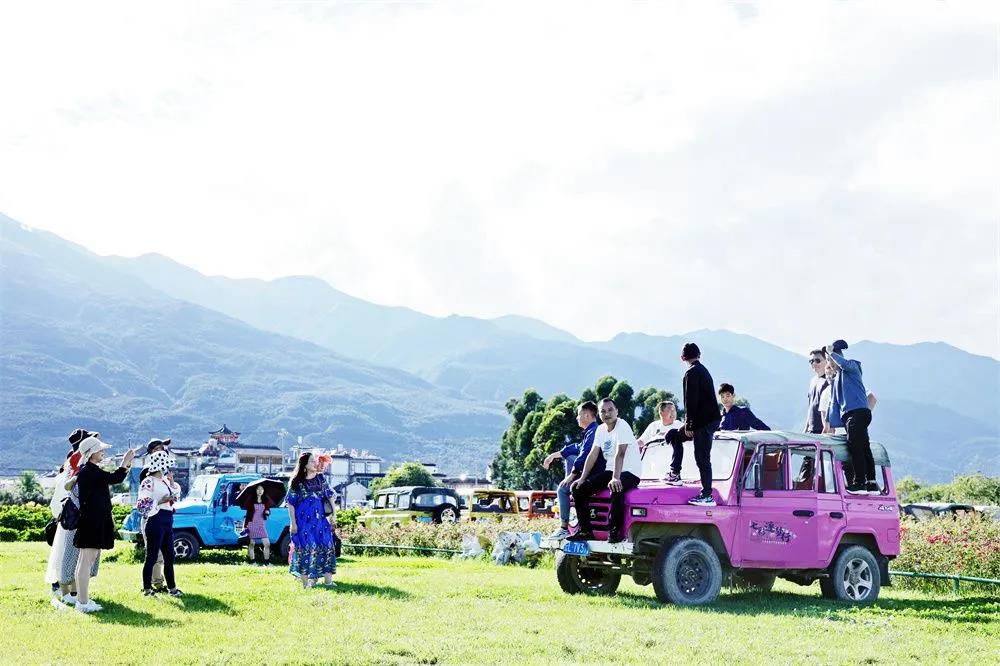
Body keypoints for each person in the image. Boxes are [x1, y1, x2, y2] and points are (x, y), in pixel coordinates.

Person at [73, 435, 135, 613]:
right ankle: (83, 603)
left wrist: (125, 464)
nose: (103, 452)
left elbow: (113, 478)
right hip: (92, 521)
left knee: (85, 561)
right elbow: (115, 478)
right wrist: (125, 462)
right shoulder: (90, 471)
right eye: (100, 449)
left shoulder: (89, 470)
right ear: (91, 452)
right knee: (86, 561)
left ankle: (82, 600)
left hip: (91, 520)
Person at [568, 398, 641, 544]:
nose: (607, 414)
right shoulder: (600, 430)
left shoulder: (622, 425)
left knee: (616, 487)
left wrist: (616, 478)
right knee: (578, 488)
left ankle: (615, 532)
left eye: (610, 410)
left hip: (629, 472)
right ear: (600, 415)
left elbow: (620, 453)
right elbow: (592, 454)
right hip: (611, 471)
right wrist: (582, 478)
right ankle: (585, 530)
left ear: (616, 411)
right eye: (603, 411)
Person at [542, 401, 601, 540]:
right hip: (590, 473)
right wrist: (553, 455)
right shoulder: (591, 432)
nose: (577, 418)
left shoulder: (594, 432)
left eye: (579, 414)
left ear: (587, 416)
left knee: (562, 490)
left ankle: (564, 528)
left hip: (593, 475)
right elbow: (576, 447)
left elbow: (585, 454)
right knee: (570, 456)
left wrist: (571, 476)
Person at [826, 340, 877, 493]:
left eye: (830, 360)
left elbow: (844, 364)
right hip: (852, 415)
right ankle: (871, 482)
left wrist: (831, 353)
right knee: (864, 447)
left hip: (858, 413)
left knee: (855, 447)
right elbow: (833, 403)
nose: (830, 363)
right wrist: (830, 424)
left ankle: (859, 482)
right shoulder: (837, 379)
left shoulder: (853, 366)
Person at [676, 343, 721, 506]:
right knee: (675, 436)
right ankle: (675, 472)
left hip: (703, 422)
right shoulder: (703, 370)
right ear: (699, 355)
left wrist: (689, 425)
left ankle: (706, 494)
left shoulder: (691, 372)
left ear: (682, 358)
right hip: (710, 420)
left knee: (702, 457)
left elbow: (691, 400)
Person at [136, 449, 183, 597]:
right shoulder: (148, 481)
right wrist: (161, 501)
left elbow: (176, 494)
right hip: (155, 520)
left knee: (169, 556)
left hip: (167, 520)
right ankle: (147, 589)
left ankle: (172, 588)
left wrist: (172, 482)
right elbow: (142, 504)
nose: (167, 468)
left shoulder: (165, 481)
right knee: (151, 556)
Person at [287, 451, 337, 588]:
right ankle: (307, 583)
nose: (315, 463)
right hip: (303, 523)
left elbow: (330, 496)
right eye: (312, 461)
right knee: (306, 549)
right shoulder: (296, 482)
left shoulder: (321, 478)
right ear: (304, 465)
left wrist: (334, 515)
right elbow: (290, 503)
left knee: (327, 547)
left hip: (321, 521)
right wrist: (293, 523)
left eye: (315, 461)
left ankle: (328, 582)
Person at [245, 484, 273, 565]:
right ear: (255, 490)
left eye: (262, 489)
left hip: (261, 524)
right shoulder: (250, 499)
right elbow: (247, 508)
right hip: (251, 523)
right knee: (252, 543)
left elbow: (268, 510)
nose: (260, 491)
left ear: (264, 491)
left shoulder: (266, 500)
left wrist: (267, 512)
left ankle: (267, 563)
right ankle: (253, 562)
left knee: (267, 544)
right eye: (258, 489)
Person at [804, 349, 829, 434]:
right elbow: (810, 406)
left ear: (826, 361)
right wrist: (806, 428)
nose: (814, 364)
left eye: (817, 360)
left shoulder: (829, 381)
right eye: (811, 361)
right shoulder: (812, 381)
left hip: (823, 430)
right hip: (811, 429)